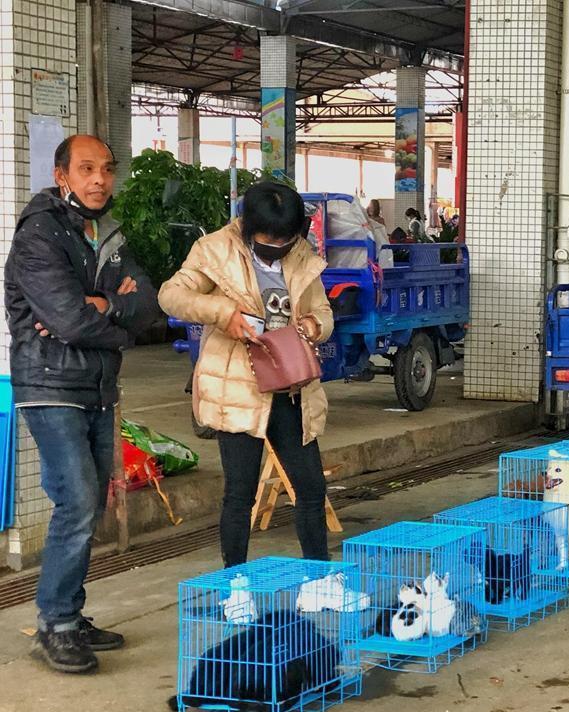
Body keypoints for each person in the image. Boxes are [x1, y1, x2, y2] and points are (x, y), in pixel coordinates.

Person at [5, 135, 158, 673]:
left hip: (94, 387)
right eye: (86, 169)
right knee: (77, 499)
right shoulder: (39, 233)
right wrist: (116, 327)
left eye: (107, 170)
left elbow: (149, 304)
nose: (99, 180)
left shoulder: (106, 233)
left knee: (90, 506)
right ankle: (56, 624)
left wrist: (107, 305)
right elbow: (67, 319)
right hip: (48, 384)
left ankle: (68, 610)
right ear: (61, 174)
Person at [159, 182, 337, 575]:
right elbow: (170, 295)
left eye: (285, 240)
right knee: (240, 496)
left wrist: (311, 325)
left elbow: (323, 311)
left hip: (292, 386)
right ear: (246, 226)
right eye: (267, 240)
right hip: (238, 389)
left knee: (310, 489)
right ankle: (235, 585)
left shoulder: (301, 253)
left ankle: (320, 579)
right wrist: (224, 314)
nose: (276, 246)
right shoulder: (214, 251)